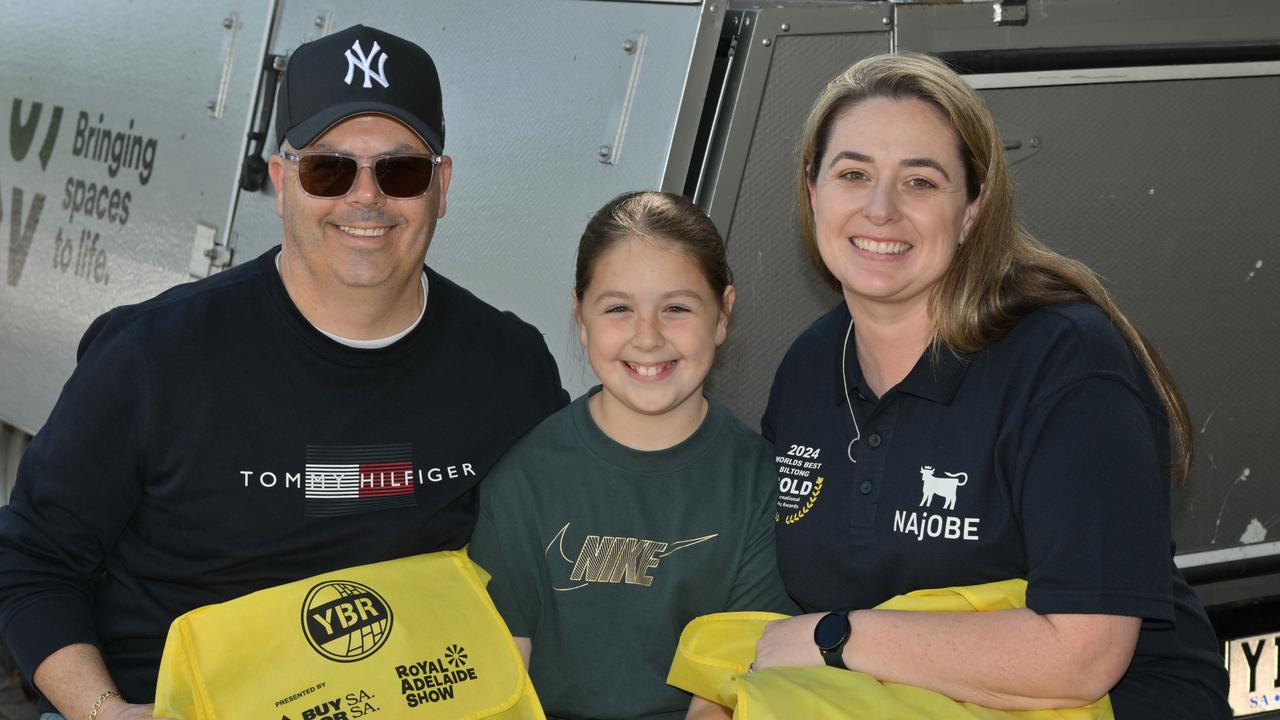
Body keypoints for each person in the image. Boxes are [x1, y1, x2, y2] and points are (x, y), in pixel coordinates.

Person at [0, 24, 566, 720]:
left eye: (401, 170)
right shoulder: (153, 356)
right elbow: (30, 562)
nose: (367, 198)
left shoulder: (511, 371)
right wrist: (108, 712)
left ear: (441, 187)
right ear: (280, 181)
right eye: (330, 168)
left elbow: (563, 560)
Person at [753, 53, 1230, 718]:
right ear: (812, 190)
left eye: (920, 182)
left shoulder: (1065, 362)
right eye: (853, 173)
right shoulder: (809, 368)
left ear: (973, 209)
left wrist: (836, 636)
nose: (879, 209)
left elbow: (1082, 655)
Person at [468, 191, 796, 720]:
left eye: (677, 308)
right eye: (619, 308)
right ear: (581, 317)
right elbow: (503, 683)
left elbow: (725, 695)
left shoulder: (763, 489)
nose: (648, 337)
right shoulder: (523, 480)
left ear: (722, 314)